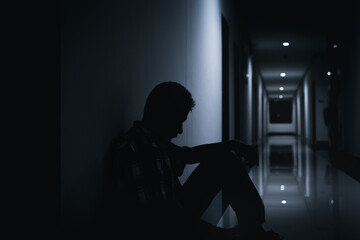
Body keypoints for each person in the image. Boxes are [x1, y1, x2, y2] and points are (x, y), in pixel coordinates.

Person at [103, 81, 283, 240]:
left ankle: (253, 229)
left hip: (178, 215)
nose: (180, 131)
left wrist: (232, 145)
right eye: (177, 122)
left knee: (223, 160)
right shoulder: (131, 150)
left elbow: (189, 155)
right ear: (162, 115)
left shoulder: (159, 143)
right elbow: (150, 220)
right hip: (163, 229)